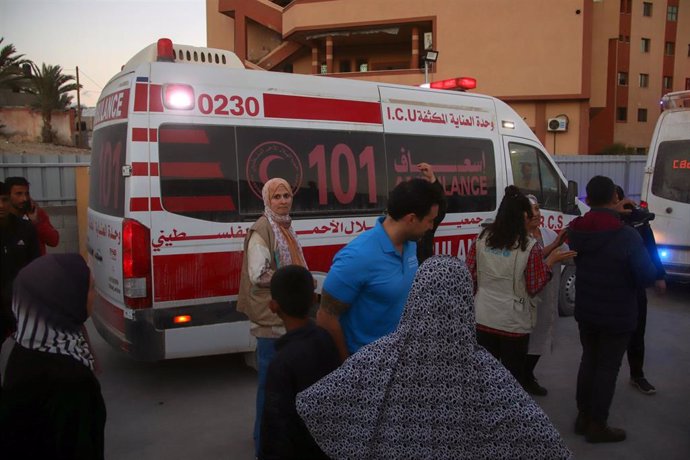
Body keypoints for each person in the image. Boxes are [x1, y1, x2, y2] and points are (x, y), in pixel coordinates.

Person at [297, 256, 572, 460]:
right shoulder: (484, 371)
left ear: (415, 297)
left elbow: (314, 403)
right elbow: (542, 439)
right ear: (465, 302)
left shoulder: (378, 358)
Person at [568, 175, 657, 443]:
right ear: (616, 198)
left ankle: (583, 417)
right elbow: (647, 275)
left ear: (588, 197)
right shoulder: (626, 235)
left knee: (588, 361)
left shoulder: (577, 229)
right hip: (617, 314)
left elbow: (591, 228)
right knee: (607, 368)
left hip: (587, 309)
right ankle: (598, 425)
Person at [316, 178, 444, 361]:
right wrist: (347, 368)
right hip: (364, 365)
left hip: (398, 360)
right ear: (411, 218)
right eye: (430, 221)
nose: (431, 226)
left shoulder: (410, 245)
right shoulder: (357, 256)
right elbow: (326, 317)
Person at [466, 185, 575, 390]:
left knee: (484, 377)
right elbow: (534, 286)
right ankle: (508, 418)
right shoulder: (529, 246)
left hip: (483, 318)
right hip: (513, 325)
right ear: (521, 216)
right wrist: (550, 263)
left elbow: (470, 276)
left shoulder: (482, 239)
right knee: (511, 382)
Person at [0, 254, 106, 459]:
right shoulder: (72, 382)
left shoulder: (21, 346)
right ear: (66, 299)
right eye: (90, 288)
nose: (95, 295)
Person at [237, 177, 308, 456]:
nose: (283, 200)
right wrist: (294, 280)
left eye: (287, 195)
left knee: (281, 385)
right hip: (270, 320)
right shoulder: (263, 229)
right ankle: (263, 444)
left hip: (283, 316)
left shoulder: (284, 226)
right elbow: (259, 274)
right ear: (267, 199)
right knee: (269, 387)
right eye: (277, 196)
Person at [259, 265, 340, 460]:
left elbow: (275, 429)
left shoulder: (281, 363)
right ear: (314, 299)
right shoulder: (326, 340)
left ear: (273, 307)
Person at [615, 186, 666, 395]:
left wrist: (659, 275)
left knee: (637, 333)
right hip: (611, 289)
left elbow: (651, 248)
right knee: (611, 336)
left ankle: (637, 375)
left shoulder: (639, 220)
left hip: (635, 288)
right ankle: (604, 376)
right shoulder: (603, 222)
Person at [524, 194, 569, 396]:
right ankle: (523, 379)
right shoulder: (519, 240)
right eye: (531, 210)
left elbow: (568, 256)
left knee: (540, 339)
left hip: (546, 299)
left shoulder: (549, 234)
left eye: (538, 209)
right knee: (524, 343)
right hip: (526, 301)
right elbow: (529, 264)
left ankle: (527, 375)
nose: (536, 214)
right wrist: (551, 257)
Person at [0, 180, 40, 400]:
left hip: (20, 308)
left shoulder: (25, 229)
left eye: (4, 200)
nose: (1, 205)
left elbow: (35, 266)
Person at [5, 176, 60, 255]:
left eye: (27, 194)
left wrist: (36, 222)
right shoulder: (4, 217)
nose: (24, 198)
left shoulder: (37, 213)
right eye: (18, 194)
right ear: (8, 195)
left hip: (36, 264)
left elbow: (53, 241)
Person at [415, 162, 447, 264]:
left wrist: (432, 178)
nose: (431, 225)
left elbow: (441, 205)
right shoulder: (405, 228)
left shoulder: (428, 225)